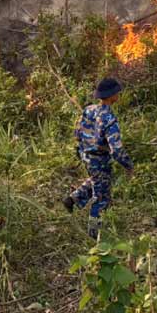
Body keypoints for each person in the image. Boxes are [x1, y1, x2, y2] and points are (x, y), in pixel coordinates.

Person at [63, 77, 134, 239]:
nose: (119, 95)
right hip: (99, 160)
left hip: (85, 156)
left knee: (96, 179)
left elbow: (77, 132)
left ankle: (73, 199)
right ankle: (94, 235)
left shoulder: (89, 110)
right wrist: (128, 165)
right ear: (112, 96)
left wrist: (81, 151)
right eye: (117, 92)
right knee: (101, 198)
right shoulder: (109, 120)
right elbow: (117, 150)